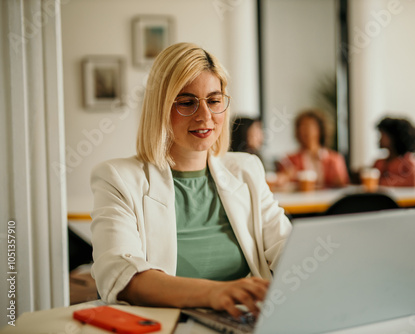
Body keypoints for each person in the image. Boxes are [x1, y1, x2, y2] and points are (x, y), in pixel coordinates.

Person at [90, 43, 291, 318]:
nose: (204, 116)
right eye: (186, 102)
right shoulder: (118, 178)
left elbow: (285, 247)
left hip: (245, 320)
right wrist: (214, 293)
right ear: (160, 109)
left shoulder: (247, 169)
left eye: (214, 100)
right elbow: (120, 273)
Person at [277, 109, 350, 188]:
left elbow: (344, 185)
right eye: (302, 126)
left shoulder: (335, 159)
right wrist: (285, 177)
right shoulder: (290, 160)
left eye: (310, 125)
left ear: (320, 129)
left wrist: (338, 179)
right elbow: (280, 184)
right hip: (302, 200)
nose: (306, 130)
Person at [373, 117, 415, 187]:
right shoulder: (379, 163)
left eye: (382, 135)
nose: (379, 139)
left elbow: (413, 183)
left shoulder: (409, 163)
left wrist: (380, 183)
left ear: (393, 137)